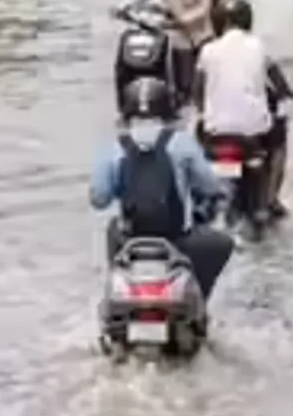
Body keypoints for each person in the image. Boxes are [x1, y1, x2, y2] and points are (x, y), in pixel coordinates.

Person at [90, 77, 233, 303]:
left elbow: (99, 199)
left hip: (130, 241)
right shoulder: (182, 143)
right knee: (223, 243)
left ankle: (118, 289)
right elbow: (209, 186)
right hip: (178, 240)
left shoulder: (115, 148)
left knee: (112, 229)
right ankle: (199, 299)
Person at [195, 0, 293, 218]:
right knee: (279, 141)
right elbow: (278, 82)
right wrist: (287, 94)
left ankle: (200, 196)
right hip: (252, 134)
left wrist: (204, 111)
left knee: (198, 143)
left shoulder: (207, 50)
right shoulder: (259, 46)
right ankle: (271, 199)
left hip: (216, 134)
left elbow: (198, 92)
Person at [158, 0, 213, 101]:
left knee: (206, 81)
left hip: (202, 35)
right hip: (180, 40)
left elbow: (205, 7)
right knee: (183, 85)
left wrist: (183, 21)